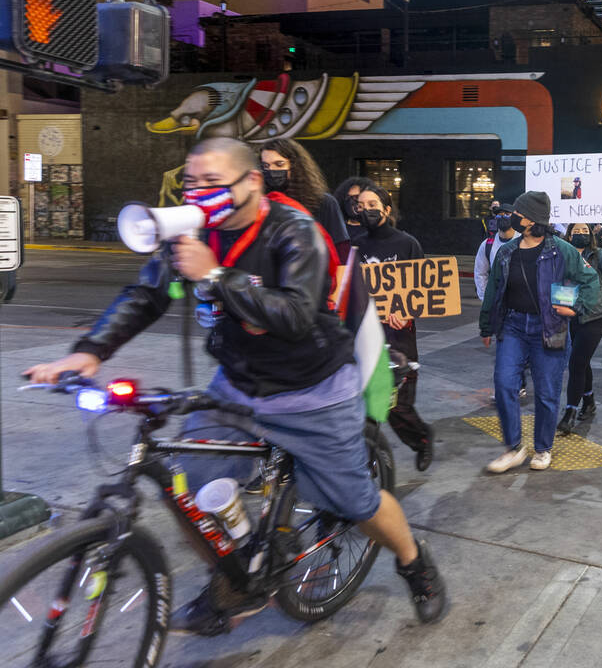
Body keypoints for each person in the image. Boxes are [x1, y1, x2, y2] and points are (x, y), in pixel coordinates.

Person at [24, 137, 446, 631]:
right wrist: (90, 351)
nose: (199, 192)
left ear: (251, 182)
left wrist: (217, 275)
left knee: (354, 504)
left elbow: (294, 314)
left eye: (212, 182)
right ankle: (238, 570)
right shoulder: (193, 233)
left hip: (312, 393)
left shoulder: (295, 231)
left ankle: (413, 560)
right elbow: (146, 294)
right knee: (186, 483)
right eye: (191, 182)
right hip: (237, 386)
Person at [479, 190, 601, 472]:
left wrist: (577, 307)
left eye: (518, 214)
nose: (512, 218)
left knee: (547, 392)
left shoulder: (561, 249)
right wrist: (487, 324)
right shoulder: (507, 252)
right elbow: (494, 290)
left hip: (550, 328)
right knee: (504, 383)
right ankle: (513, 448)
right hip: (513, 326)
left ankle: (543, 448)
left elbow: (591, 280)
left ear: (533, 219)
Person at [356, 183, 435, 473]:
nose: (367, 210)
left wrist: (407, 310)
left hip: (399, 336)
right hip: (364, 336)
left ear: (387, 210)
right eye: (361, 205)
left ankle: (422, 440)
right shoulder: (354, 245)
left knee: (396, 405)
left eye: (373, 204)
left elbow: (425, 288)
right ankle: (368, 458)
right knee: (366, 403)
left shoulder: (407, 244)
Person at [558, 220, 602, 434]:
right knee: (582, 360)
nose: (580, 233)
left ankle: (570, 411)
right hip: (569, 313)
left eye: (584, 230)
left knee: (576, 361)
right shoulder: (560, 255)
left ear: (590, 235)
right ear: (568, 235)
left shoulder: (598, 255)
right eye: (576, 230)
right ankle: (589, 400)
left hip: (594, 313)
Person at [260, 138, 350, 263]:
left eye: (279, 164)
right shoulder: (260, 205)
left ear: (295, 166)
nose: (271, 170)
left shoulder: (324, 202)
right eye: (266, 166)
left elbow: (342, 252)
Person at [474, 203, 516, 300]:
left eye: (507, 214)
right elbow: (480, 273)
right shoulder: (487, 244)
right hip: (497, 301)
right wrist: (485, 298)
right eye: (499, 214)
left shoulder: (524, 241)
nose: (502, 217)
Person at [333, 176, 375, 246]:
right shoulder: (337, 228)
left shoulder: (376, 229)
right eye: (348, 197)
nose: (352, 201)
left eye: (357, 197)